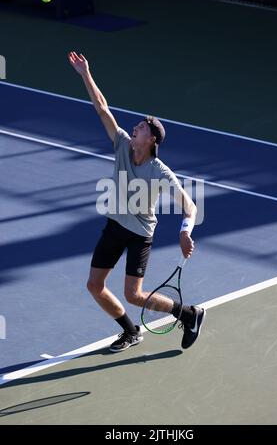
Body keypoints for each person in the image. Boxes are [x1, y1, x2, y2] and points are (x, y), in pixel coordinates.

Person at [68, 51, 206, 352]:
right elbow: (102, 108)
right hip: (115, 226)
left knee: (134, 294)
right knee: (94, 285)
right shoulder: (121, 144)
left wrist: (185, 232)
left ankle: (188, 314)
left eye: (141, 128)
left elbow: (190, 206)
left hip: (139, 235)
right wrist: (85, 74)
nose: (135, 129)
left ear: (151, 140)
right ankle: (131, 331)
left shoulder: (160, 172)